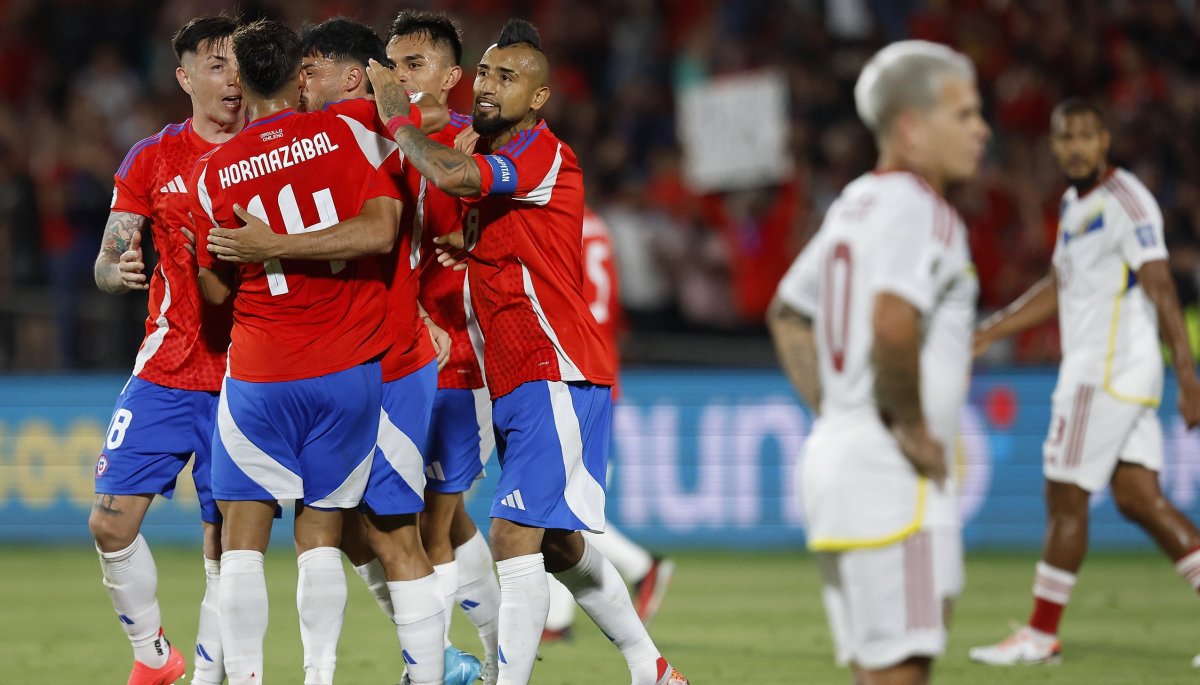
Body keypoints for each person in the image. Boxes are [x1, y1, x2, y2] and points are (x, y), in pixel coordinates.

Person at [364, 18, 690, 685]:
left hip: (556, 365)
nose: (488, 86)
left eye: (507, 77)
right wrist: (468, 242)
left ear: (539, 97)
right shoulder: (489, 151)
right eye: (485, 73)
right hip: (514, 373)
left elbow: (453, 173)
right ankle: (651, 668)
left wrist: (397, 119)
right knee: (560, 545)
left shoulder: (542, 151)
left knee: (512, 535)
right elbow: (475, 193)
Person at [205, 14, 480, 685]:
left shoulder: (358, 125)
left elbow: (395, 217)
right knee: (351, 532)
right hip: (353, 364)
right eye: (301, 68)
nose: (307, 79)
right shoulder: (358, 128)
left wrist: (266, 246)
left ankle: (447, 666)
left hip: (384, 359)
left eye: (317, 67)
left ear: (352, 76)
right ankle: (427, 662)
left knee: (394, 531)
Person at [769, 40, 987, 685]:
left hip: (837, 459)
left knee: (878, 671)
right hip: (895, 477)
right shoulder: (925, 211)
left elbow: (788, 311)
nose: (982, 129)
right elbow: (893, 321)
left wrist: (837, 409)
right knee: (903, 672)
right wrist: (911, 428)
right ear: (911, 129)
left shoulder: (855, 203)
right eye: (965, 114)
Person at [969, 99, 1200, 667]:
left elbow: (1161, 285)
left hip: (1106, 372)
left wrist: (1188, 376)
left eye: (1086, 136)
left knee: (1064, 494)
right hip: (1114, 373)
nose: (1075, 147)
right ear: (1053, 145)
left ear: (1105, 140)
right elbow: (1060, 285)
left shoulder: (1126, 200)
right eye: (1065, 137)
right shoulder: (1075, 204)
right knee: (1140, 500)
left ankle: (1040, 635)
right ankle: (1040, 634)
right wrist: (992, 328)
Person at [88, 14, 242, 685]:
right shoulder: (152, 157)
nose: (231, 78)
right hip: (167, 367)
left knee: (226, 544)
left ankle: (209, 674)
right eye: (216, 64)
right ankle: (153, 655)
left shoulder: (270, 151)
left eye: (238, 64)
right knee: (109, 524)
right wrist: (115, 269)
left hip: (247, 374)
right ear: (184, 77)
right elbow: (106, 257)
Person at [543, 206, 675, 642]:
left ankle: (641, 565)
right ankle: (557, 621)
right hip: (600, 362)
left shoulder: (551, 216)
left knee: (560, 502)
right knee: (559, 501)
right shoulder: (598, 225)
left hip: (572, 364)